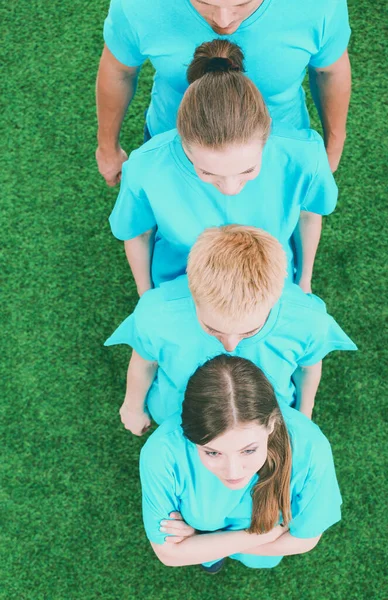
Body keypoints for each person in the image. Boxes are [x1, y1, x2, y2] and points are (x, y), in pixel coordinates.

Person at [108, 39, 338, 296]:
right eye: (207, 172)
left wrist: (304, 281)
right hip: (180, 283)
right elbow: (139, 233)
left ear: (268, 130)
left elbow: (308, 215)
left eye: (247, 170)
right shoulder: (145, 168)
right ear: (181, 137)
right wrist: (145, 295)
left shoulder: (305, 156)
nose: (230, 189)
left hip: (271, 280)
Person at [104, 225, 357, 433]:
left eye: (249, 332)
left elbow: (308, 367)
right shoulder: (157, 313)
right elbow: (145, 361)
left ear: (275, 298)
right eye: (213, 329)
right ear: (193, 294)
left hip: (265, 419)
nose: (230, 347)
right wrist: (132, 407)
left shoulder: (309, 321)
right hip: (175, 412)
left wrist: (304, 416)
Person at [96, 0, 352, 185]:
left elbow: (328, 72)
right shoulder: (136, 6)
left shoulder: (320, 5)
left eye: (243, 4)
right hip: (171, 145)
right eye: (203, 3)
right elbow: (120, 71)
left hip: (280, 149)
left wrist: (334, 146)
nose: (223, 21)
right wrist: (107, 147)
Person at [139, 354, 342, 571]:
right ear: (190, 438)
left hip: (256, 553)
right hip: (265, 541)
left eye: (248, 450)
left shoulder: (310, 448)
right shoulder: (161, 452)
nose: (233, 471)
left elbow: (305, 540)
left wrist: (200, 542)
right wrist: (269, 534)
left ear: (272, 425)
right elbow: (168, 555)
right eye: (213, 453)